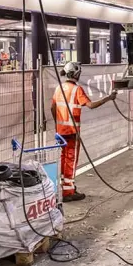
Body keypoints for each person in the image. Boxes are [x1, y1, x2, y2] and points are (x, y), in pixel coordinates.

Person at [51, 62, 116, 202]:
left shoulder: (59, 88)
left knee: (62, 159)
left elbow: (53, 108)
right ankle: (68, 192)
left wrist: (58, 124)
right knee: (70, 160)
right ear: (76, 74)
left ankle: (64, 188)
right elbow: (91, 105)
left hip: (60, 131)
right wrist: (109, 98)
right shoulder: (76, 89)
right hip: (72, 132)